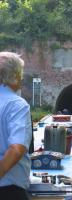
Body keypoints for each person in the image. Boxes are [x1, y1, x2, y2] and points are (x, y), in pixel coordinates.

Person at [0, 52, 32, 200]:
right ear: (14, 76)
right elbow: (16, 149)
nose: (22, 78)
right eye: (20, 74)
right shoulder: (17, 105)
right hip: (10, 190)